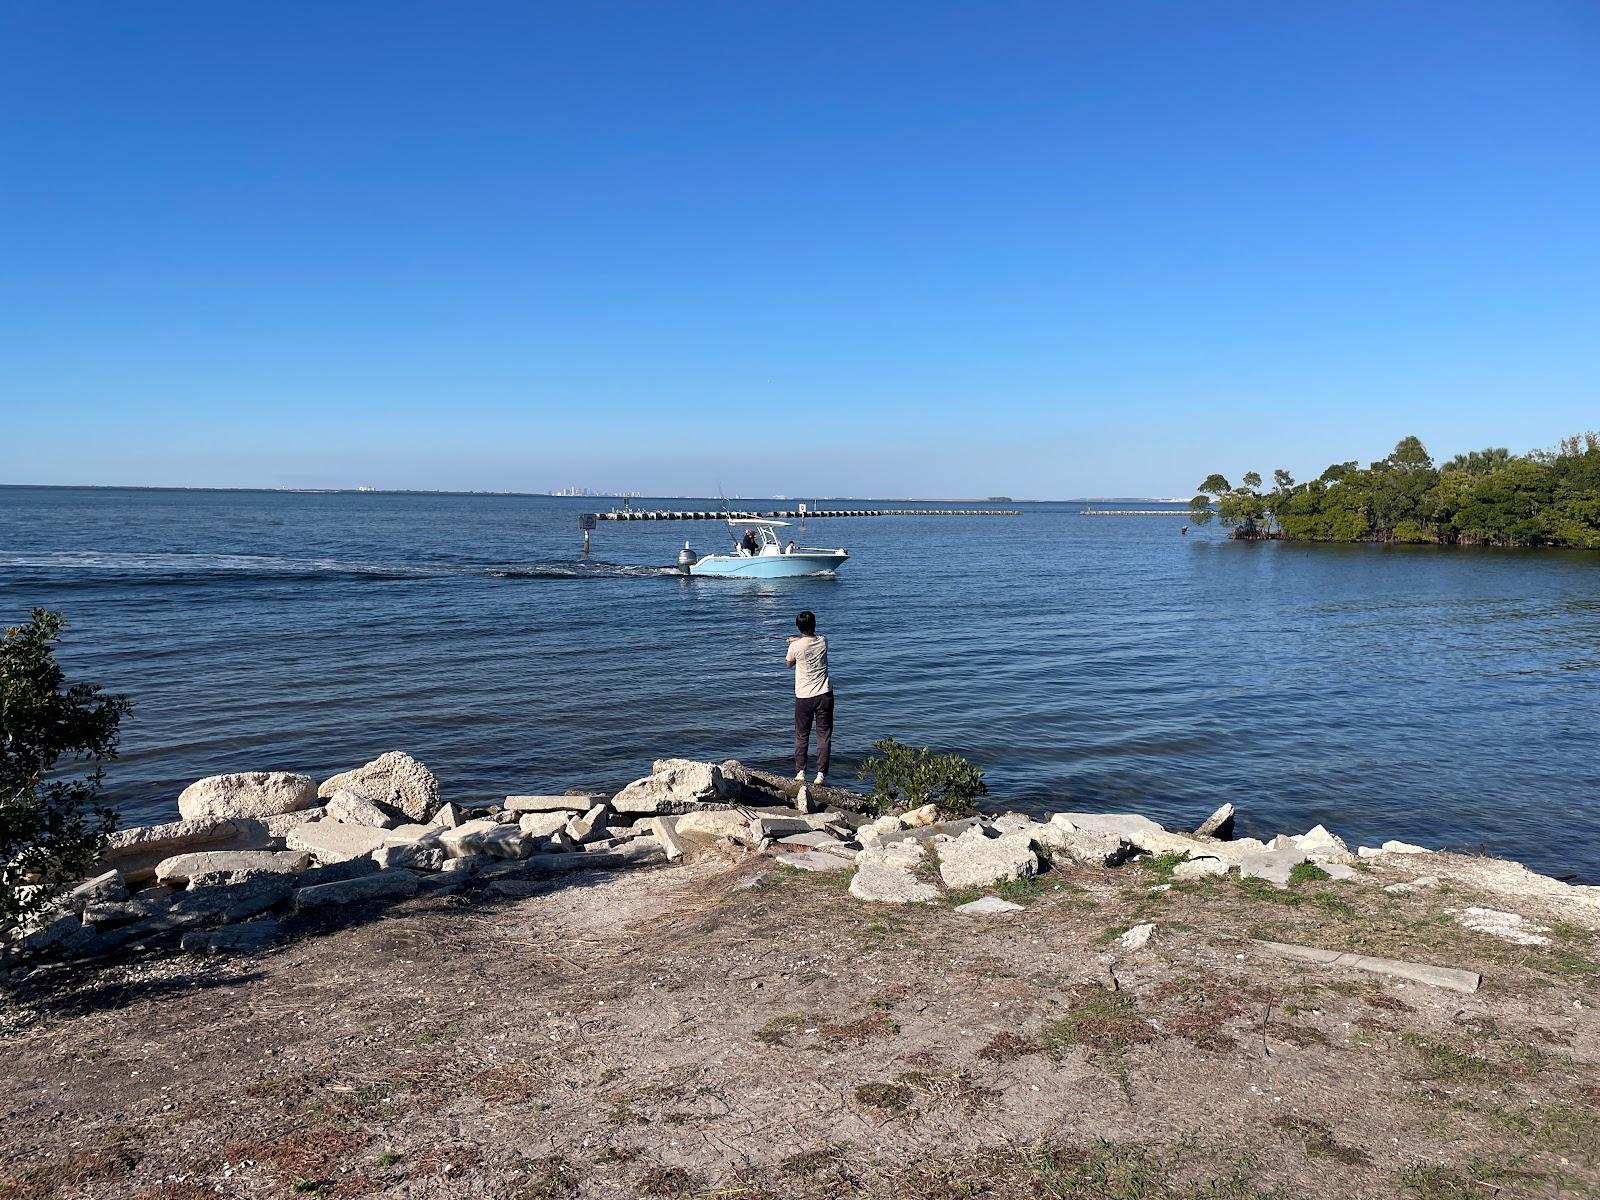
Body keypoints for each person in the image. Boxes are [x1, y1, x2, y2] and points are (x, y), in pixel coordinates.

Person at [785, 609, 833, 786]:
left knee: (801, 734)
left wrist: (793, 642)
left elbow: (789, 664)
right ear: (814, 624)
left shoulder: (795, 647)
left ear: (798, 627)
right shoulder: (823, 641)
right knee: (824, 735)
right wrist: (797, 640)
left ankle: (801, 771)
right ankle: (821, 774)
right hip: (824, 694)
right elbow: (814, 638)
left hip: (804, 695)